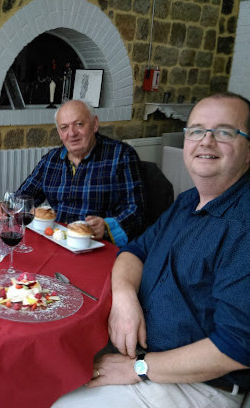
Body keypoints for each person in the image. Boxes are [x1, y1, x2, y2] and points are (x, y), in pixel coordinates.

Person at [52, 92, 250, 408]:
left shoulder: (243, 224)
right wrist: (125, 297)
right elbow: (135, 251)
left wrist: (138, 368)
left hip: (195, 383)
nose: (206, 141)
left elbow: (235, 347)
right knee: (40, 374)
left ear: (248, 150)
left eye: (224, 132)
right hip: (135, 353)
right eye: (197, 130)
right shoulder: (188, 201)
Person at [0, 99, 144, 246]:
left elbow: (136, 210)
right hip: (57, 241)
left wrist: (106, 227)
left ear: (95, 124)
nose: (72, 133)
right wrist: (3, 207)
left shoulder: (121, 155)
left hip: (97, 244)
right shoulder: (51, 160)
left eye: (79, 124)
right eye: (64, 127)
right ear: (59, 132)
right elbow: (24, 198)